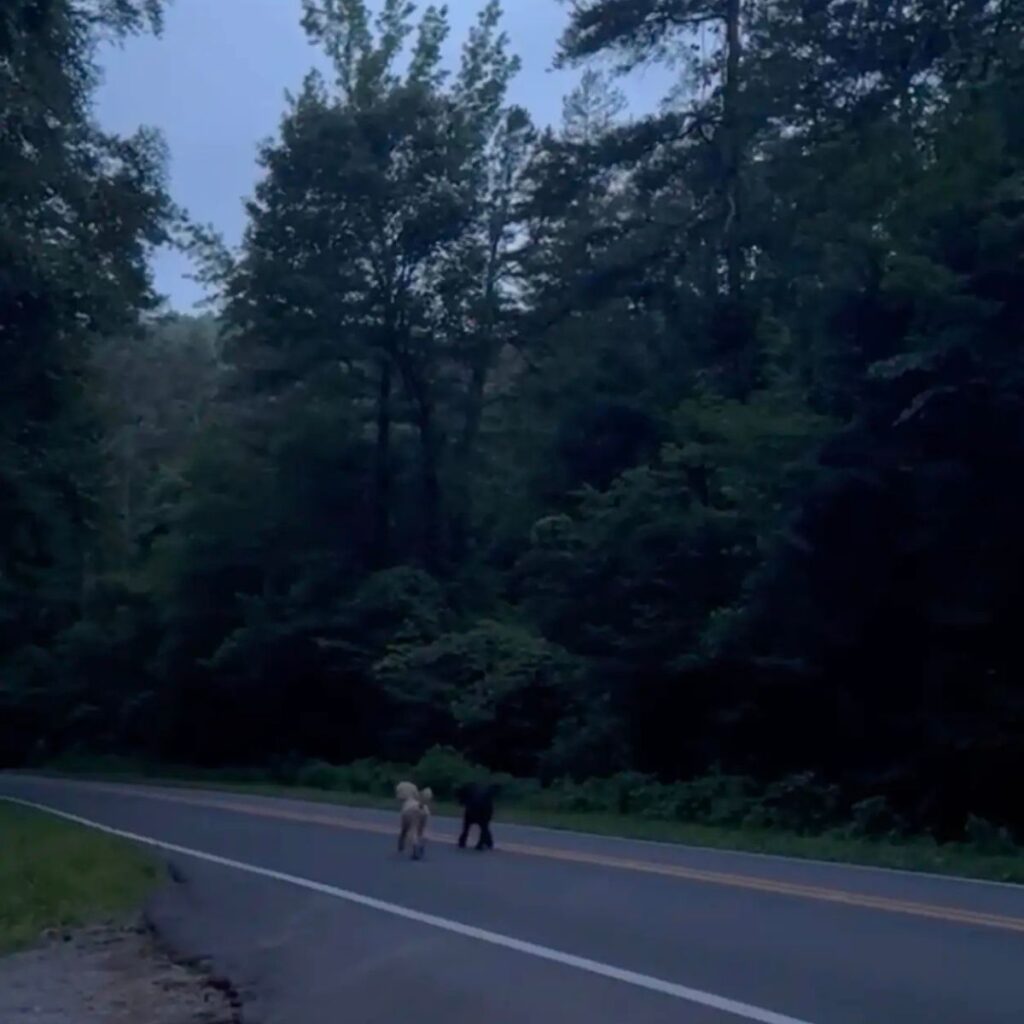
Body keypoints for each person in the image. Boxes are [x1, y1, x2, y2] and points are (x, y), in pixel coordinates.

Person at [456, 782, 498, 850]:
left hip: (473, 809)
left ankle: (463, 841)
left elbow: (462, 799)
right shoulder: (483, 794)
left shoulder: (470, 792)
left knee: (467, 825)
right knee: (484, 826)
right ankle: (485, 843)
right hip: (486, 808)